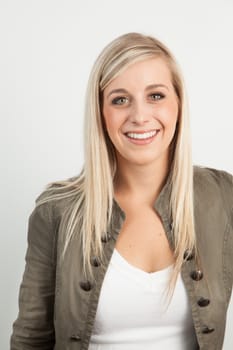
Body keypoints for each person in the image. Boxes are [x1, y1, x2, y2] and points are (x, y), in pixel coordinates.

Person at [10, 32, 233, 350]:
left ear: (178, 105)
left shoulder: (223, 197)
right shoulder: (58, 211)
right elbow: (31, 338)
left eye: (155, 95)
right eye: (120, 99)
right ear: (101, 113)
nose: (140, 116)